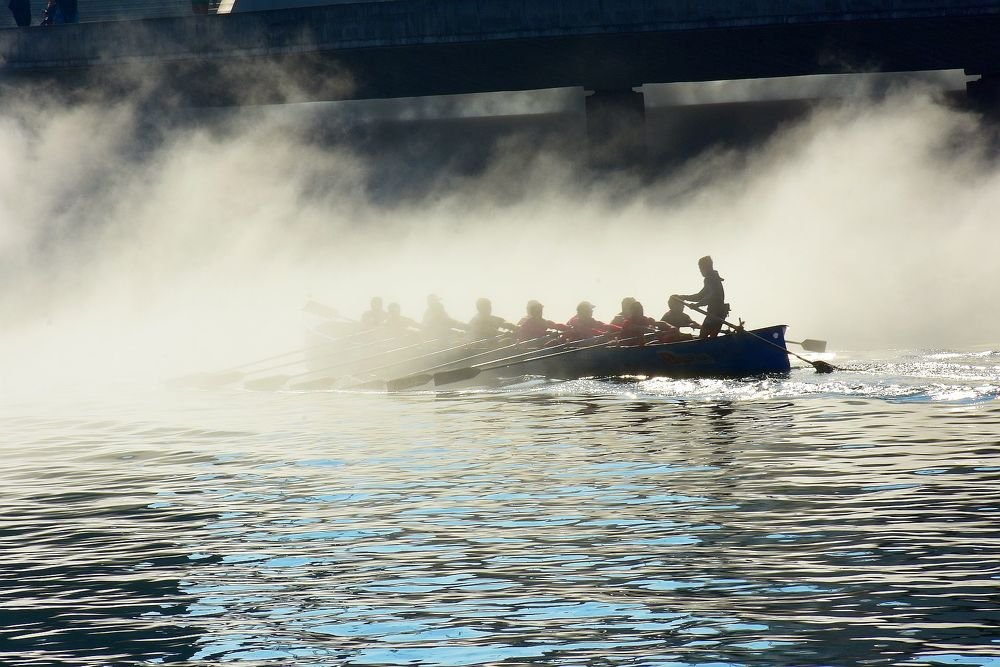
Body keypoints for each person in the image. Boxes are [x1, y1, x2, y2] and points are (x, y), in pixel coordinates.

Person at [676, 255, 729, 339]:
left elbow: (712, 297)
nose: (700, 271)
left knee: (703, 336)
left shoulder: (711, 279)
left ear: (707, 267)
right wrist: (684, 297)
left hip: (716, 312)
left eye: (701, 269)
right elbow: (700, 296)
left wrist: (697, 305)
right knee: (712, 337)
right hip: (718, 312)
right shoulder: (711, 278)